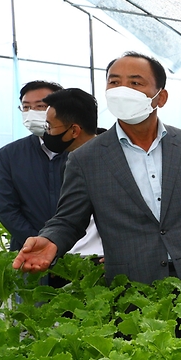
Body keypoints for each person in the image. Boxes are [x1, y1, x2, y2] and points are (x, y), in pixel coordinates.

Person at [13, 51, 181, 288]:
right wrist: (50, 240)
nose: (122, 90)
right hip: (132, 287)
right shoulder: (86, 158)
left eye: (135, 83)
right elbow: (69, 220)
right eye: (114, 82)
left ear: (160, 98)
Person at [0, 80, 63, 251]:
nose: (31, 113)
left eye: (40, 106)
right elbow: (7, 209)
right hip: (30, 251)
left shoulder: (83, 150)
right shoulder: (9, 155)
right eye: (26, 107)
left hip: (82, 252)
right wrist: (39, 242)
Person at [41, 88, 104, 258]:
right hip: (74, 255)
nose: (47, 133)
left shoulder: (112, 160)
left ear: (74, 130)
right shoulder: (70, 160)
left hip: (103, 258)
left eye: (50, 126)